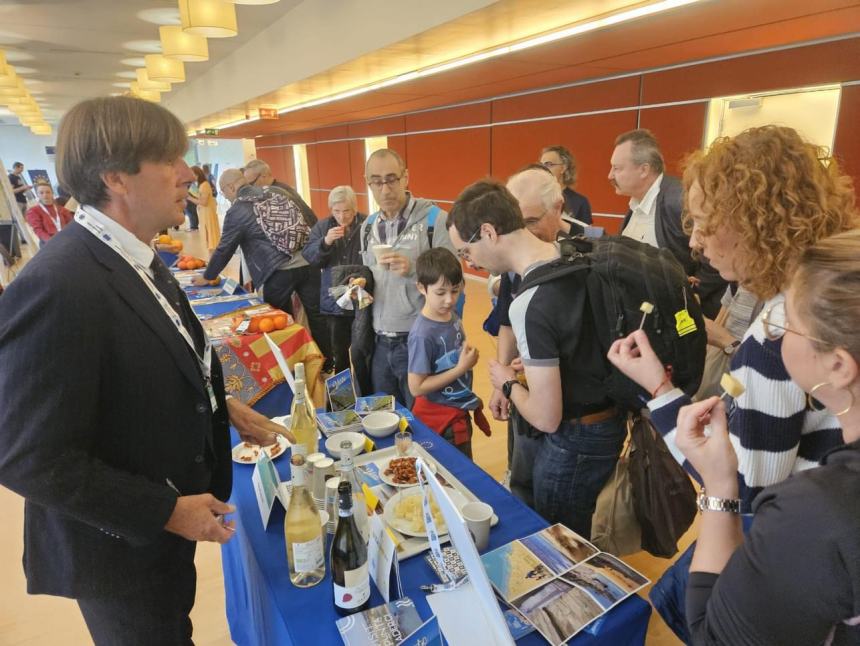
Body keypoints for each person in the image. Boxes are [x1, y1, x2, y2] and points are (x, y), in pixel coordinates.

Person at [0, 96, 284, 645]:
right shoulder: (61, 284)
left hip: (156, 536)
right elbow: (26, 455)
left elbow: (146, 364)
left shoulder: (137, 256)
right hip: (118, 553)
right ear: (116, 178)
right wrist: (166, 512)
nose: (187, 174)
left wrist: (224, 407)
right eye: (169, 161)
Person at [606, 124, 858, 641]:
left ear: (755, 223)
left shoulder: (777, 337)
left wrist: (660, 396)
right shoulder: (820, 303)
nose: (694, 243)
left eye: (702, 225)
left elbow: (743, 490)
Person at [676, 230, 860, 645]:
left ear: (837, 365)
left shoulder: (816, 513)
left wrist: (721, 487)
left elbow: (714, 635)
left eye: (789, 323)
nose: (775, 332)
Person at [449, 179, 625, 538]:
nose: (472, 263)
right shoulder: (572, 254)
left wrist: (507, 382)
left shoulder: (531, 302)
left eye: (467, 252)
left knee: (558, 540)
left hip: (574, 441)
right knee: (579, 532)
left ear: (488, 232)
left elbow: (546, 417)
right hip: (607, 421)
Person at [491, 167, 579, 507]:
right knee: (522, 476)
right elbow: (507, 322)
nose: (521, 233)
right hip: (525, 391)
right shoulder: (518, 260)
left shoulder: (584, 255)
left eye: (529, 222)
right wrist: (502, 381)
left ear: (557, 208)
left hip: (567, 413)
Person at [196, 169, 329, 363]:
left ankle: (290, 365)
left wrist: (208, 276)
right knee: (317, 315)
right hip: (308, 264)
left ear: (231, 187)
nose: (226, 198)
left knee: (278, 322)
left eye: (224, 193)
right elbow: (310, 217)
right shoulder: (279, 192)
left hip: (276, 272)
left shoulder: (238, 209)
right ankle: (325, 362)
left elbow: (225, 248)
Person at [359, 148, 455, 409]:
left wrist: (415, 268)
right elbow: (370, 276)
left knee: (423, 423)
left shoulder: (435, 220)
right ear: (368, 184)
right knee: (385, 417)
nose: (385, 189)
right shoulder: (367, 226)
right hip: (379, 341)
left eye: (391, 179)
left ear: (405, 178)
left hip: (420, 340)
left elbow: (453, 278)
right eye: (376, 182)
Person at [609, 128, 726, 317]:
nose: (610, 176)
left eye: (617, 168)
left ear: (644, 169)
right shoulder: (635, 205)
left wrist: (690, 296)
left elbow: (716, 256)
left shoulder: (678, 200)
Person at [408, 248, 489, 458]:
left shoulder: (451, 316)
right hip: (442, 421)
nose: (449, 300)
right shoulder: (422, 334)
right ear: (422, 288)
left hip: (458, 410)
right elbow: (416, 387)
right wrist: (461, 368)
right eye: (441, 292)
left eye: (455, 290)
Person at [302, 185, 366, 374]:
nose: (342, 216)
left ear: (354, 208)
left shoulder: (367, 224)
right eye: (336, 211)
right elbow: (310, 257)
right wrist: (325, 242)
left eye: (346, 211)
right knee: (339, 352)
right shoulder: (323, 227)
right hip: (335, 298)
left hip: (362, 294)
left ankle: (366, 395)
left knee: (362, 349)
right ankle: (342, 401)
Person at [243, 159, 317, 231]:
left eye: (251, 184)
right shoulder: (280, 189)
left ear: (264, 176)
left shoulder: (277, 195)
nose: (250, 189)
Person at [540, 145, 592, 225]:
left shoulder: (580, 202)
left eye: (548, 164)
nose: (543, 169)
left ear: (563, 168)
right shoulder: (535, 197)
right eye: (541, 165)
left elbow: (587, 235)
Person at [187, 166, 215, 235]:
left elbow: (203, 202)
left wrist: (189, 197)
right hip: (204, 212)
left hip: (207, 213)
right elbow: (200, 198)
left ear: (197, 174)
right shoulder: (201, 184)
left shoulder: (204, 185)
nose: (191, 177)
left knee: (209, 237)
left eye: (192, 175)